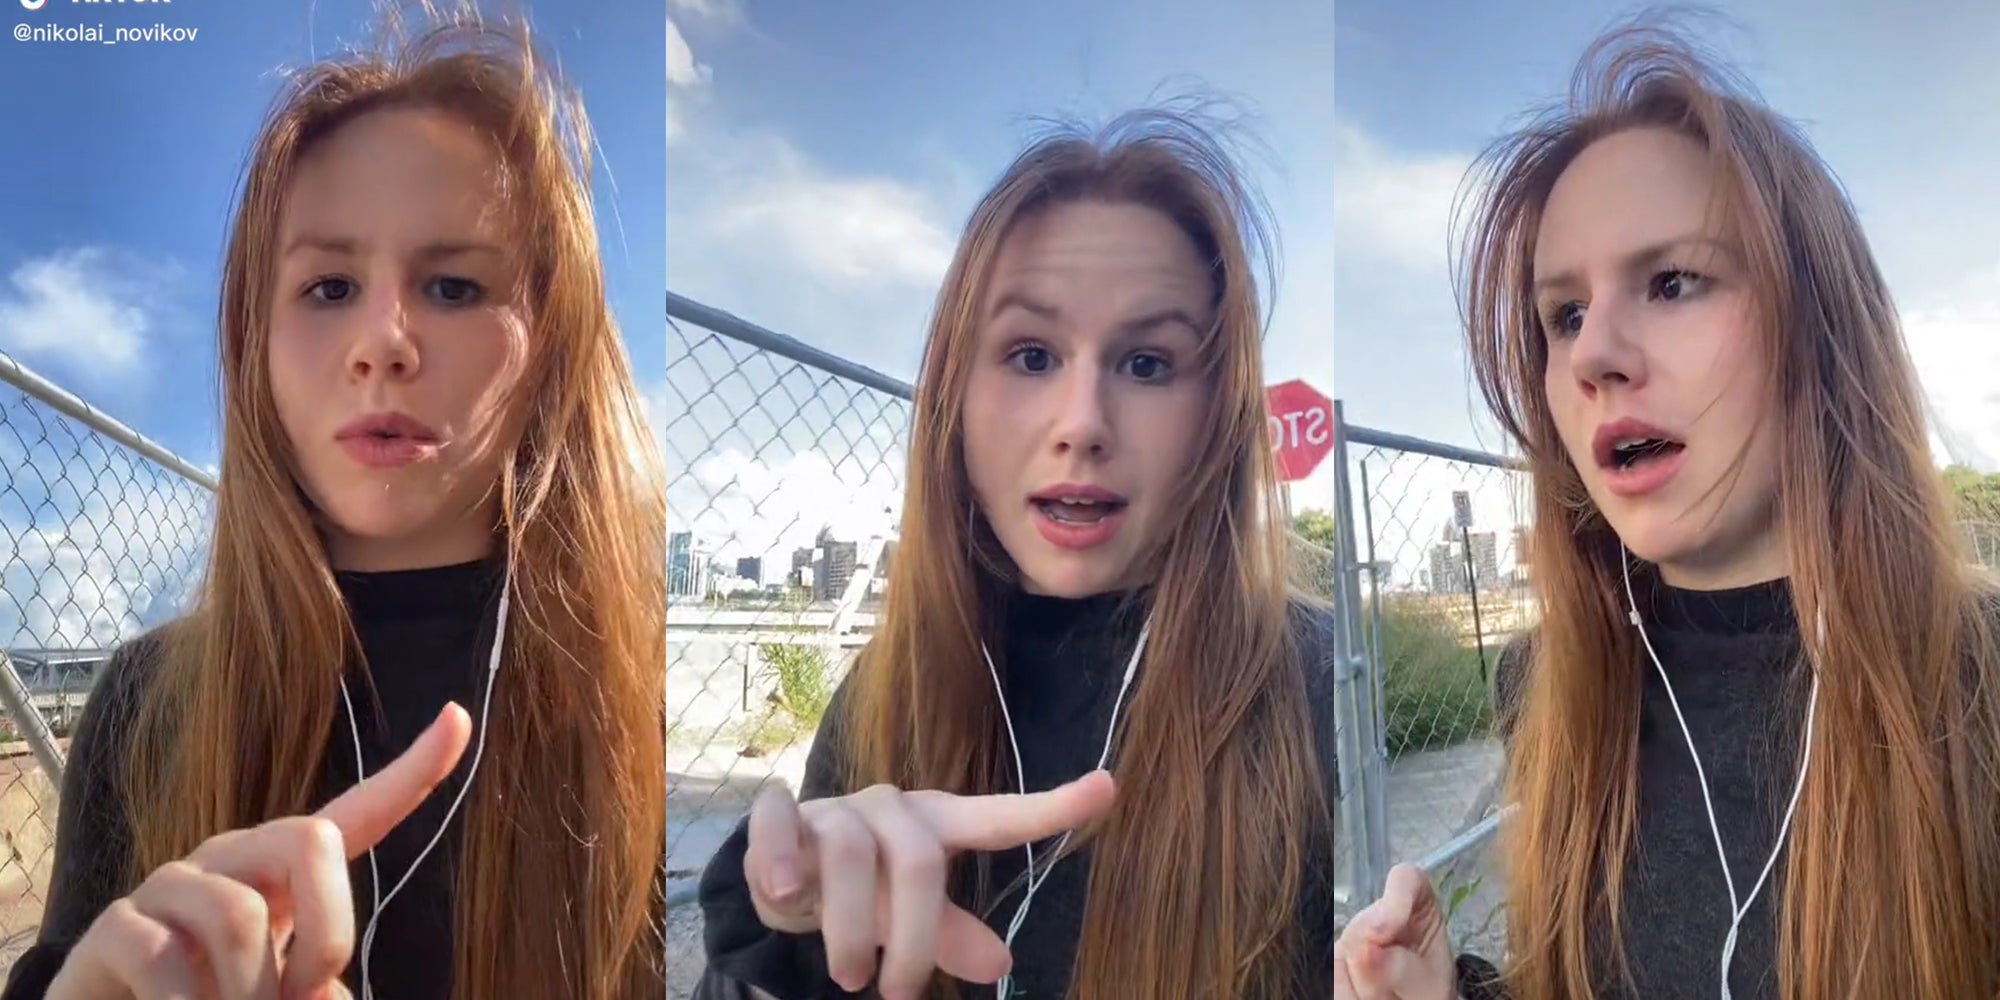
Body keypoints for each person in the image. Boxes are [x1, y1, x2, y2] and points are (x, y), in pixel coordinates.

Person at [2, 11, 668, 1000]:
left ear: (553, 348)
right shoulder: (148, 701)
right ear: (253, 347)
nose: (382, 342)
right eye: (327, 287)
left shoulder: (636, 693)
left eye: (451, 285)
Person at [1333, 19, 2000, 1000]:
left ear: (1815, 323)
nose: (1593, 351)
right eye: (1560, 314)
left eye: (1671, 281)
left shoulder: (1975, 681)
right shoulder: (1548, 687)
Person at [693, 109, 1345, 1000]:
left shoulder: (1318, 693)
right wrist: (785, 945)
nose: (1081, 423)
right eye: (1032, 355)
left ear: (1220, 420)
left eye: (1148, 364)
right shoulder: (886, 694)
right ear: (953, 401)